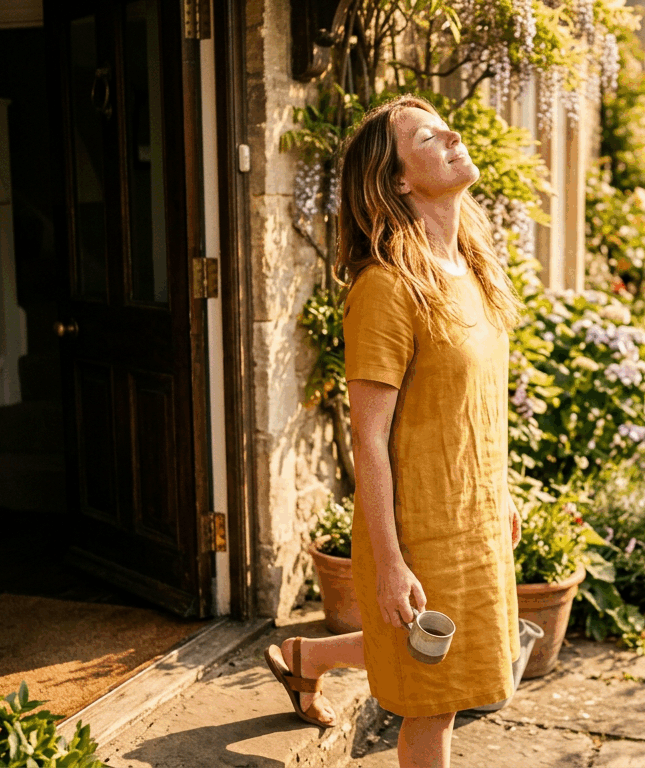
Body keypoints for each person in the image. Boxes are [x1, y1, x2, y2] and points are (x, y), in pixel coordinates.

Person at [263, 94, 524, 768]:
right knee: (432, 705)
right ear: (399, 180)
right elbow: (368, 440)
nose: (453, 136)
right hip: (420, 533)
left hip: (473, 522)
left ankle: (305, 658)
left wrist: (502, 494)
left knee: (450, 663)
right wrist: (387, 566)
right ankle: (309, 657)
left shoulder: (474, 272)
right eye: (430, 136)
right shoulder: (386, 288)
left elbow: (471, 410)